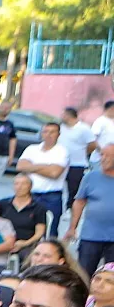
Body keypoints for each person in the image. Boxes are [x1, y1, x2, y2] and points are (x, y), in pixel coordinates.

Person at [17, 120, 68, 236]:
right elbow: (20, 166)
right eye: (45, 132)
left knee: (50, 231)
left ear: (58, 134)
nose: (48, 135)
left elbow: (55, 173)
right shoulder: (32, 148)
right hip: (30, 195)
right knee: (28, 229)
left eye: (52, 132)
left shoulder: (62, 151)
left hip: (51, 196)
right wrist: (46, 166)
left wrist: (32, 166)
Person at [72, 141, 114, 275]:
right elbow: (79, 202)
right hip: (91, 236)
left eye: (108, 156)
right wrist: (72, 227)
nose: (103, 159)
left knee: (111, 276)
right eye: (102, 155)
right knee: (84, 274)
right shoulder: (90, 177)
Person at [0, 172, 49, 261]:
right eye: (16, 183)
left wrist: (25, 243)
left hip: (27, 244)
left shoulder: (38, 207)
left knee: (29, 258)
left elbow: (39, 232)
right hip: (3, 243)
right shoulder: (3, 204)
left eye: (23, 184)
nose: (19, 187)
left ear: (30, 187)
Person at [62, 106, 95, 220]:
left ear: (70, 115)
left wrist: (83, 153)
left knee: (74, 188)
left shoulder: (83, 129)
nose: (62, 116)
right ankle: (63, 208)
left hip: (77, 164)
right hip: (61, 163)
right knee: (61, 188)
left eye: (64, 114)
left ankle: (70, 209)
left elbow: (92, 144)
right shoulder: (62, 128)